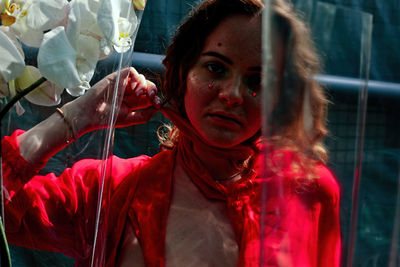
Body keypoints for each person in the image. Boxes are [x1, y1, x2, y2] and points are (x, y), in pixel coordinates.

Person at [2, 0, 341, 266]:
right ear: (181, 74)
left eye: (258, 80)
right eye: (215, 67)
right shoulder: (110, 190)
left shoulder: (307, 189)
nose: (232, 94)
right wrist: (77, 116)